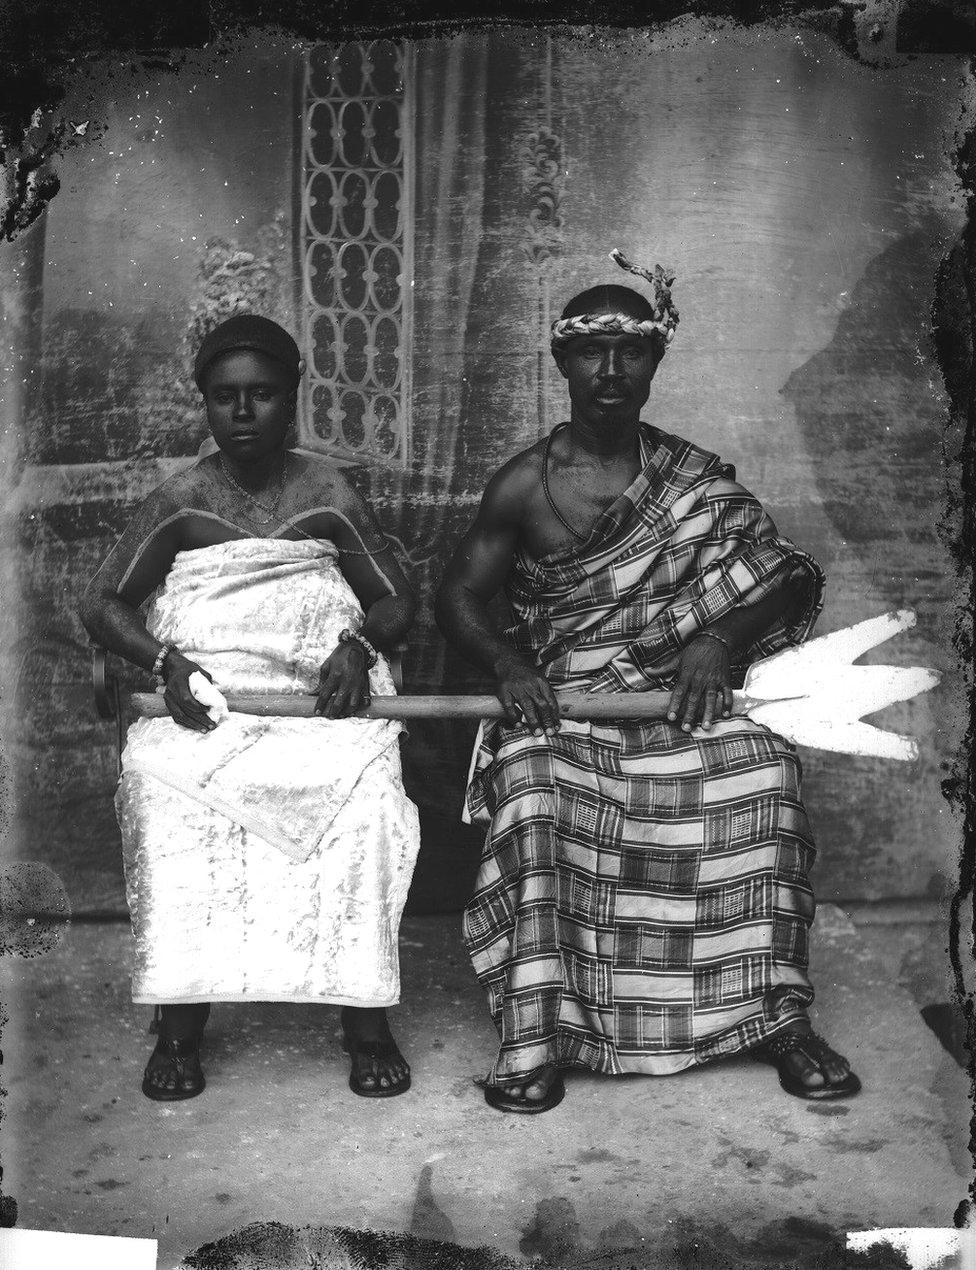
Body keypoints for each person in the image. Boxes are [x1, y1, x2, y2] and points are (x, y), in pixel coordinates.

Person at [435, 251, 861, 1114]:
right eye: (592, 351)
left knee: (765, 773)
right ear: (560, 362)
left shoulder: (694, 479)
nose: (610, 369)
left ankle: (774, 1014)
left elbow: (777, 570)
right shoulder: (524, 483)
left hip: (677, 703)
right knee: (534, 788)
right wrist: (512, 663)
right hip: (572, 706)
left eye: (631, 350)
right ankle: (540, 1033)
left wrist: (718, 637)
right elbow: (459, 594)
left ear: (655, 362)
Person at [81, 314, 420, 1102]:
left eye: (261, 395)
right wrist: (165, 663)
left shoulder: (327, 490)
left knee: (368, 801)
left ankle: (363, 1016)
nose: (243, 413)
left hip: (317, 706)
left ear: (292, 397)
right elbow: (103, 604)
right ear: (204, 403)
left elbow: (398, 600)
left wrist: (358, 648)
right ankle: (180, 1025)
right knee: (162, 792)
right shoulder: (181, 498)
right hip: (206, 709)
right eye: (225, 397)